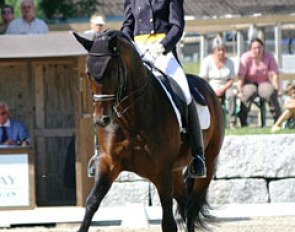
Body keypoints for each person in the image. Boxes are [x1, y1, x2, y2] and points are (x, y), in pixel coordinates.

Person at [121, 0, 205, 178]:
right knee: (116, 88)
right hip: (138, 50)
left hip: (163, 51)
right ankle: (103, 149)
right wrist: (127, 44)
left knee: (185, 91)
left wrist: (163, 45)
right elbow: (128, 25)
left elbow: (177, 26)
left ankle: (198, 155)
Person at [237, 37, 281, 127]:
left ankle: (278, 120)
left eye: (259, 47)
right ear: (251, 48)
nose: (257, 50)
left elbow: (275, 73)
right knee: (248, 93)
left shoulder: (269, 56)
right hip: (249, 82)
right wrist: (239, 90)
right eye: (255, 48)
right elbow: (241, 76)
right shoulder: (246, 57)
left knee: (270, 92)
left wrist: (276, 88)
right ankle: (243, 120)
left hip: (264, 81)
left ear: (263, 47)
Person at [199, 36, 237, 128]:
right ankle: (213, 122)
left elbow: (231, 79)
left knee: (231, 95)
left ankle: (232, 121)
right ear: (214, 51)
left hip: (226, 86)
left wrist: (223, 88)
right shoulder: (207, 61)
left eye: (223, 50)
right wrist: (211, 90)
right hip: (211, 86)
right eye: (218, 50)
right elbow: (203, 79)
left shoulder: (230, 62)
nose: (221, 52)